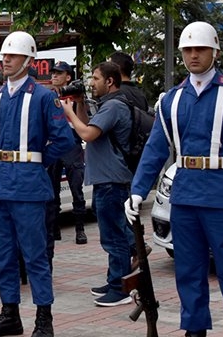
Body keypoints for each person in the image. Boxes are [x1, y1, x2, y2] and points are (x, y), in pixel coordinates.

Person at [126, 21, 223, 337]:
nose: (193, 55)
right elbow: (155, 149)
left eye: (200, 49)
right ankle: (194, 330)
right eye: (188, 49)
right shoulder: (172, 100)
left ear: (215, 52)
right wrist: (138, 190)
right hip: (186, 196)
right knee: (188, 271)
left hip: (222, 197)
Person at [0, 31, 74, 337]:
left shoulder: (44, 97)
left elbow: (63, 139)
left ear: (29, 61)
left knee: (35, 256)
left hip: (30, 187)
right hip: (1, 184)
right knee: (4, 255)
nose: (5, 60)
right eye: (4, 56)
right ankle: (10, 314)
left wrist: (37, 161)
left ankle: (44, 317)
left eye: (13, 56)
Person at [62, 62, 133, 307]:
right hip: (108, 180)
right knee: (113, 234)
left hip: (112, 181)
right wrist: (80, 104)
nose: (92, 83)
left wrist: (68, 111)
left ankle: (120, 287)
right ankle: (115, 279)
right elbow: (89, 125)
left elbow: (87, 134)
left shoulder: (113, 106)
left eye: (95, 78)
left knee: (114, 237)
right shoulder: (109, 105)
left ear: (109, 81)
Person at [46, 61, 87, 245]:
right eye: (53, 73)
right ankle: (54, 229)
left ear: (68, 77)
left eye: (58, 73)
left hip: (72, 144)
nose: (54, 76)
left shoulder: (74, 96)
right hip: (53, 144)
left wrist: (79, 101)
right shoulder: (47, 96)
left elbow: (83, 122)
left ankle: (80, 229)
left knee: (76, 189)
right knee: (52, 190)